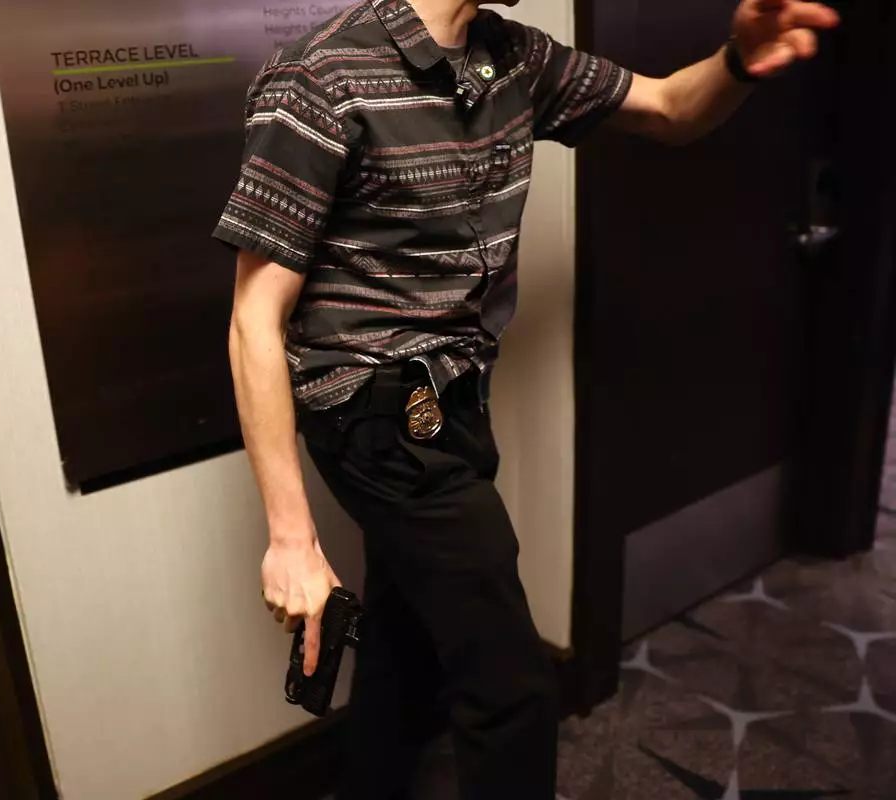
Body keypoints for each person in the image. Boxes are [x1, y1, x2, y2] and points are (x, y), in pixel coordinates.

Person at [213, 0, 839, 796]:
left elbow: (671, 108)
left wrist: (740, 60)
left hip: (455, 398)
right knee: (513, 687)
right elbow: (251, 322)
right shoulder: (320, 77)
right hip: (372, 411)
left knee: (406, 641)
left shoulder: (513, 57)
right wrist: (291, 540)